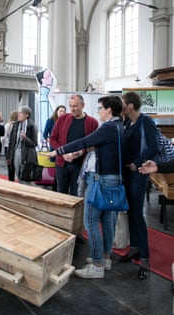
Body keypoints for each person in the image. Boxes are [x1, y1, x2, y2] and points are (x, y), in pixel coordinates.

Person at [49, 95, 125, 279]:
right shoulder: (118, 127)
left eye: (100, 108)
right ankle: (105, 259)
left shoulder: (108, 127)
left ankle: (97, 265)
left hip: (101, 179)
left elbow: (84, 141)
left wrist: (58, 151)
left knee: (90, 221)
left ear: (109, 110)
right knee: (107, 221)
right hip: (112, 178)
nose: (98, 111)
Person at [120, 91, 160, 280]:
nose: (121, 106)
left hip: (139, 173)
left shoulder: (146, 122)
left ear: (130, 106)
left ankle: (145, 258)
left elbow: (154, 147)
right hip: (127, 172)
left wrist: (137, 162)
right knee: (130, 212)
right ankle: (134, 248)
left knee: (137, 214)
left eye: (122, 103)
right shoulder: (127, 122)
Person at [50, 94, 98, 195]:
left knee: (77, 194)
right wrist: (63, 153)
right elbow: (53, 139)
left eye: (75, 106)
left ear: (83, 105)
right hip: (62, 163)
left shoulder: (92, 123)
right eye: (70, 106)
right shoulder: (63, 119)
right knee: (61, 193)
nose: (72, 109)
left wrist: (81, 152)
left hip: (80, 165)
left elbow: (93, 144)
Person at [6, 106, 38, 185]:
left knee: (26, 177)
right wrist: (9, 156)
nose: (18, 115)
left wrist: (25, 138)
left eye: (21, 113)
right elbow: (11, 142)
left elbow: (34, 143)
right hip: (16, 152)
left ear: (27, 115)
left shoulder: (32, 126)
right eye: (19, 113)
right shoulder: (15, 124)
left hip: (27, 155)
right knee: (18, 174)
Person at [2, 110, 18, 181]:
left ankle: (10, 180)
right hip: (16, 147)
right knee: (16, 164)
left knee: (10, 166)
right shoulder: (18, 125)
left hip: (7, 147)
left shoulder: (7, 125)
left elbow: (3, 137)